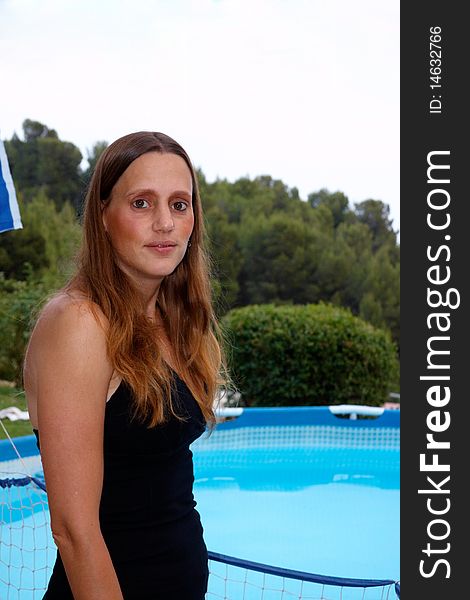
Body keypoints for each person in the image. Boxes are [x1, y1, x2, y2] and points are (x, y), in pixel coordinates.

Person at [23, 131, 228, 599]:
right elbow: (74, 532)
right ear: (103, 216)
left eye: (180, 204)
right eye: (141, 203)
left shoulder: (173, 320)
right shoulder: (78, 322)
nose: (165, 223)